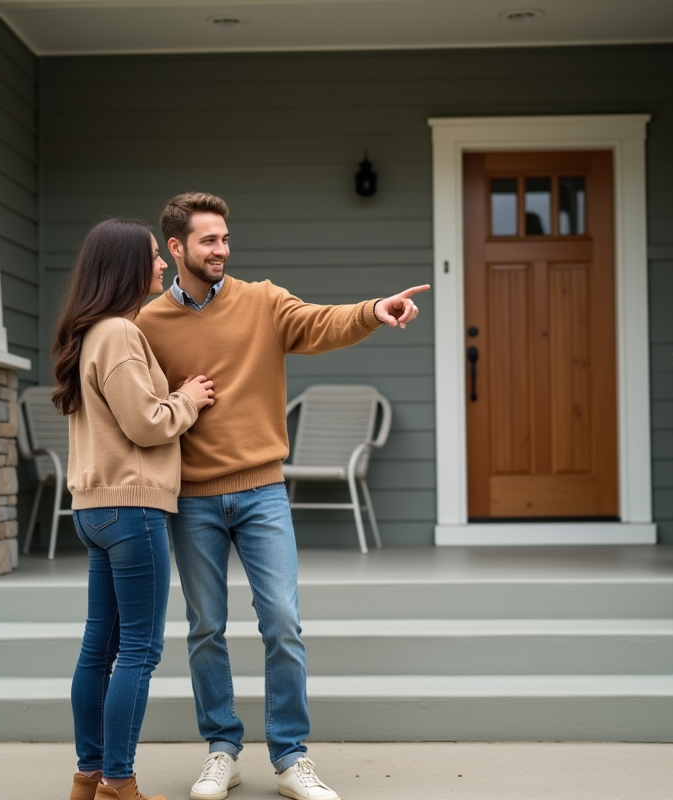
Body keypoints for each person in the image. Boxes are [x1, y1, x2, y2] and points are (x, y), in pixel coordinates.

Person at [136, 193, 428, 800]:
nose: (222, 249)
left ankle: (291, 758)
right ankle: (223, 751)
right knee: (205, 628)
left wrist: (375, 309)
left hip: (263, 491)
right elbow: (144, 410)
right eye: (209, 240)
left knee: (283, 625)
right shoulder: (148, 325)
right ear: (176, 248)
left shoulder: (262, 300)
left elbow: (323, 323)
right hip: (191, 500)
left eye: (224, 238)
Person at [51, 218, 216, 800]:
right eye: (153, 256)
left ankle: (87, 776)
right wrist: (188, 399)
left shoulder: (88, 332)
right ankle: (119, 782)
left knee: (100, 646)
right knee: (139, 651)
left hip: (95, 511)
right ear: (125, 266)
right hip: (132, 509)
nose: (163, 264)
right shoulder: (119, 334)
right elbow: (147, 425)